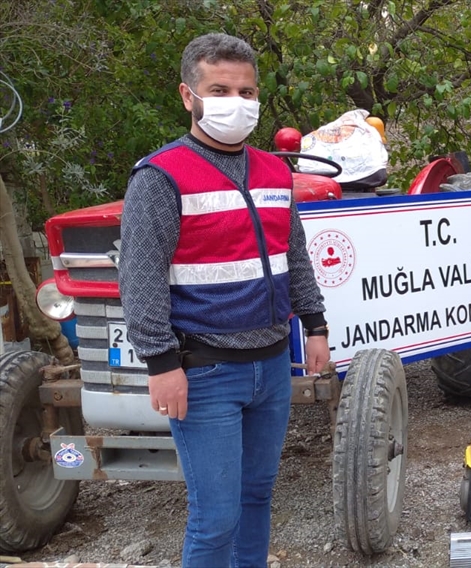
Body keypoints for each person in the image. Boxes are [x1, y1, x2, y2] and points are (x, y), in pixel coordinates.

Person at [118, 33, 330, 567]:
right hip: (205, 370)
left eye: (246, 91)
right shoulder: (161, 175)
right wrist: (161, 362)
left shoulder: (273, 171)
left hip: (273, 363)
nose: (236, 102)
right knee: (215, 519)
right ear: (188, 96)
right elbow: (139, 278)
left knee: (256, 498)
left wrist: (316, 324)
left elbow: (293, 255)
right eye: (220, 89)